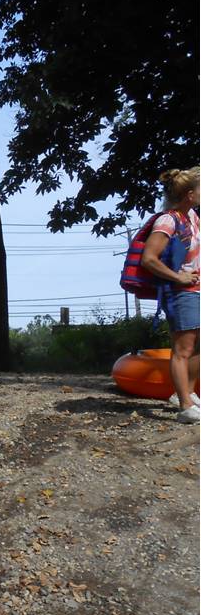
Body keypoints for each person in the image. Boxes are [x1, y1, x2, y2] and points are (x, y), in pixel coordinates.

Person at [141, 166, 200, 423]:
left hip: (196, 290)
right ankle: (185, 406)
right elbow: (149, 259)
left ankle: (184, 393)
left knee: (193, 348)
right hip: (181, 292)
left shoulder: (193, 218)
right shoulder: (168, 220)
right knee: (182, 350)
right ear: (189, 194)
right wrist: (178, 277)